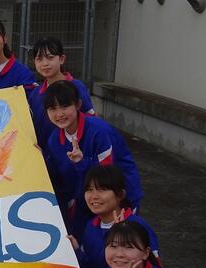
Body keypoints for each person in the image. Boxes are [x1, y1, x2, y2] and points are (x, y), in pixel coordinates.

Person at [44, 80, 143, 238]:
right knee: (82, 238)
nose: (59, 114)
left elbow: (108, 178)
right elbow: (61, 181)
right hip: (86, 197)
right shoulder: (54, 140)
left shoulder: (99, 132)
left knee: (118, 240)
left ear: (78, 104)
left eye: (65, 106)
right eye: (52, 109)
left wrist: (81, 162)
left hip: (119, 196)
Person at [68, 166, 159, 268]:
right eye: (89, 189)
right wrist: (77, 251)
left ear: (120, 194)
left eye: (102, 189)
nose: (94, 196)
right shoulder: (90, 226)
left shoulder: (137, 226)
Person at [26, 37, 94, 157]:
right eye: (39, 59)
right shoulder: (35, 94)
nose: (45, 63)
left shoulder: (76, 87)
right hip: (42, 158)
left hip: (72, 156)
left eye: (50, 57)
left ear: (62, 59)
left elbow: (91, 122)